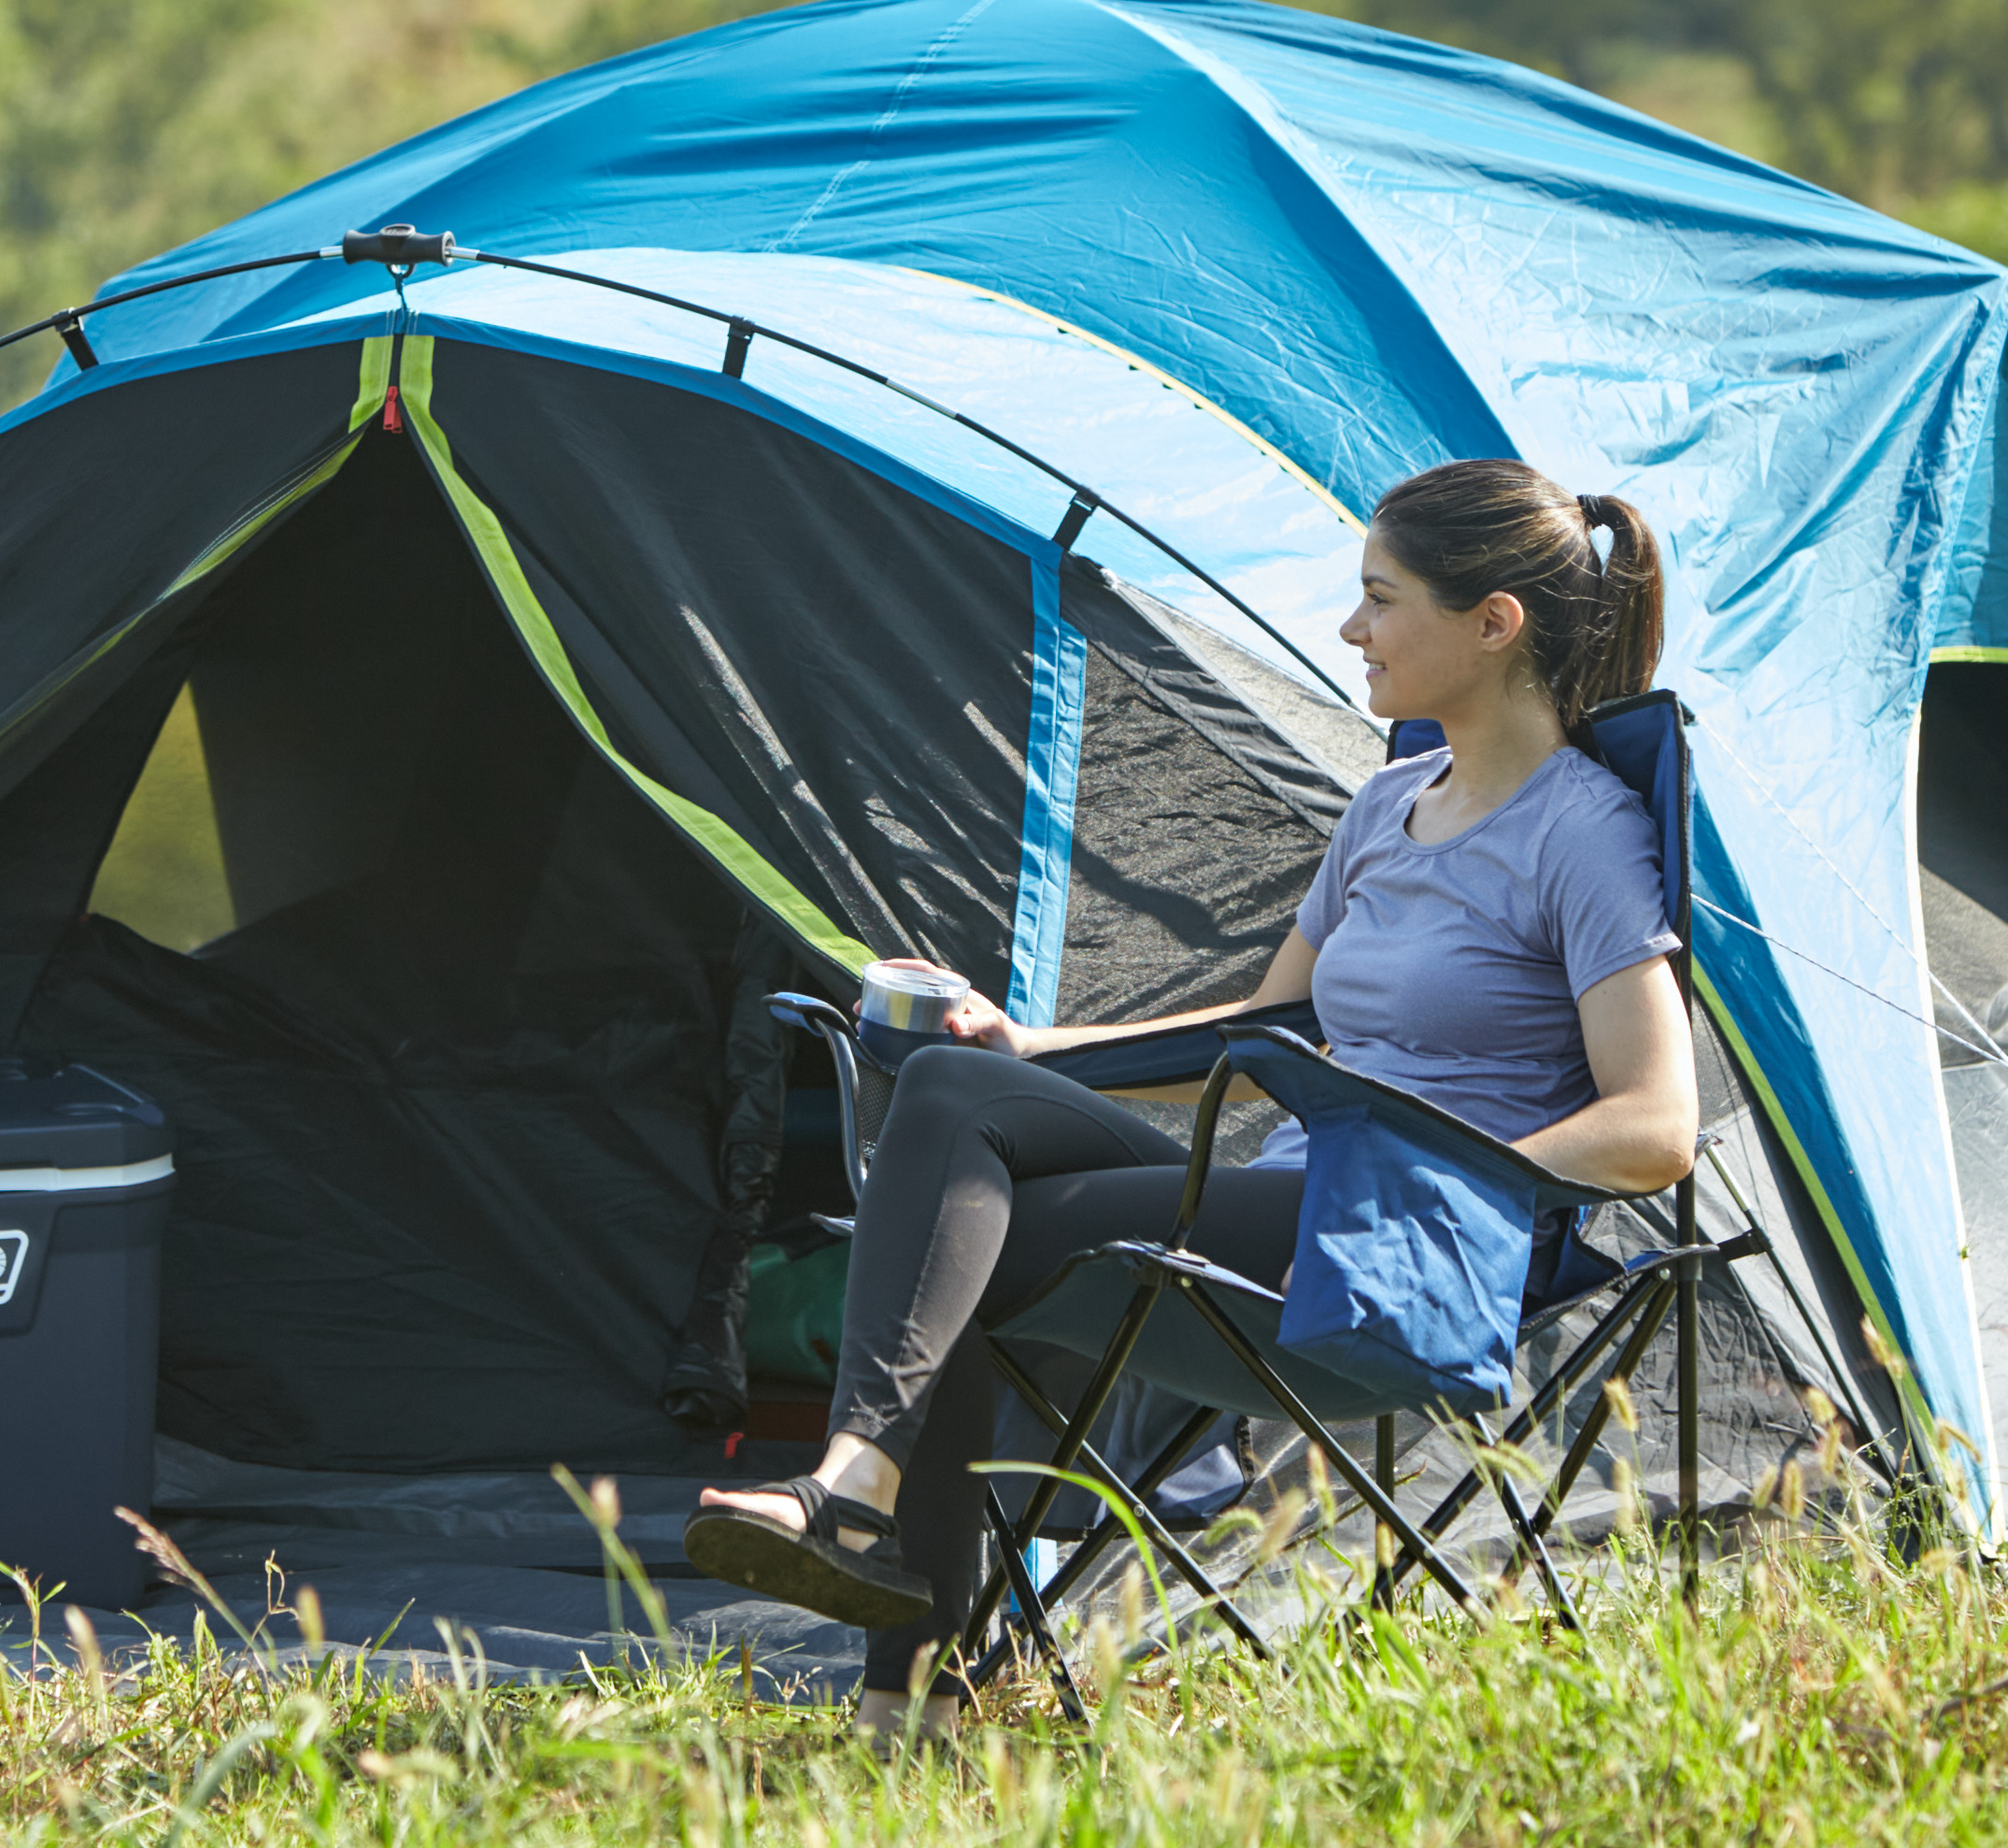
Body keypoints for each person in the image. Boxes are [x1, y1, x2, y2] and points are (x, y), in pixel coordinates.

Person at [685, 459, 1700, 1738]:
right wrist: (1034, 1042)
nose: (1350, 630)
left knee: (962, 1249)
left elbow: (1656, 1124)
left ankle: (899, 1671)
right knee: (954, 1087)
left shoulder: (1584, 834)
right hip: (1287, 1185)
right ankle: (863, 1509)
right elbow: (1270, 1027)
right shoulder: (1391, 803)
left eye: (1382, 601)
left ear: (1494, 624)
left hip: (1402, 1242)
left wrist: (1435, 1165)